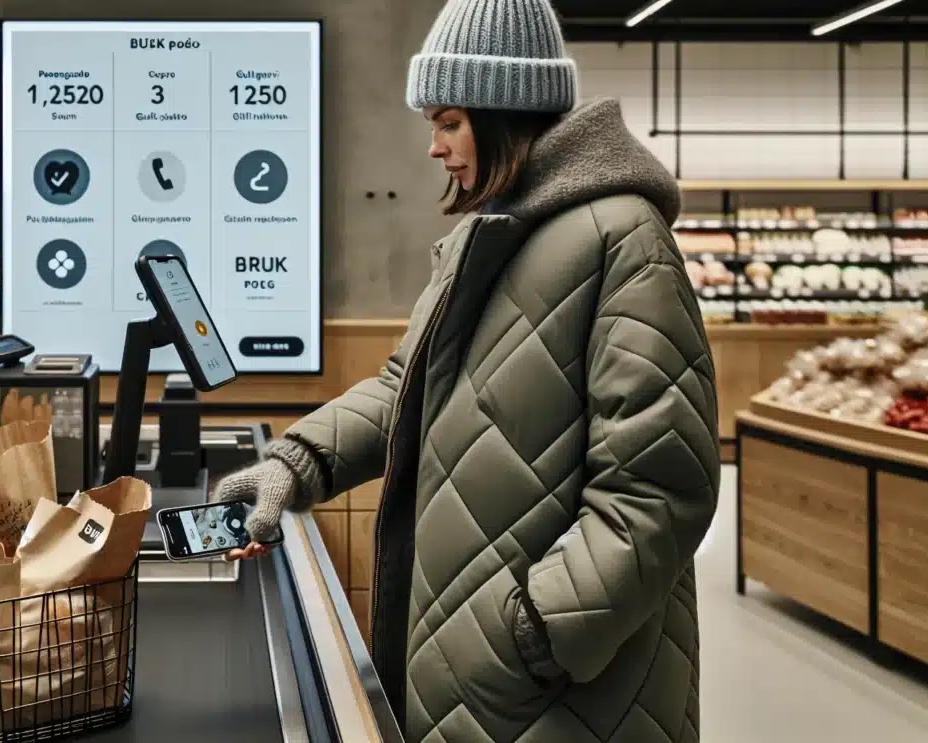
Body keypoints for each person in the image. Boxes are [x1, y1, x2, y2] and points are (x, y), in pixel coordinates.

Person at [214, 0, 720, 740]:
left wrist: (535, 636)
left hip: (563, 698)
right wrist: (297, 462)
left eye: (449, 122)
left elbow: (659, 489)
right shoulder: (490, 238)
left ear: (506, 111)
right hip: (487, 678)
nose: (433, 148)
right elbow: (405, 389)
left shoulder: (624, 240)